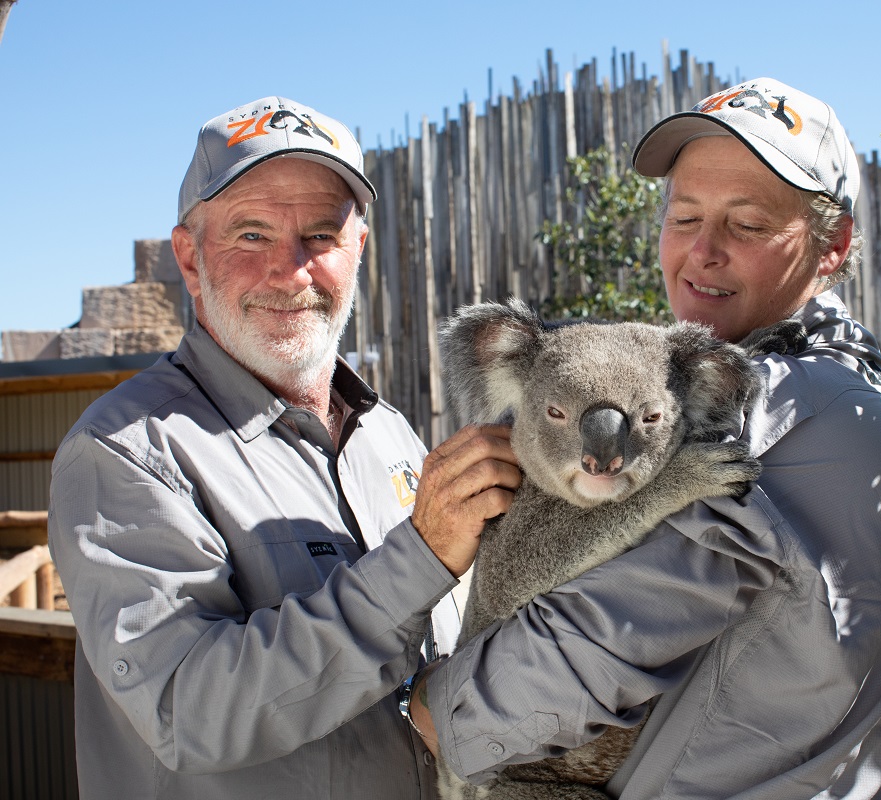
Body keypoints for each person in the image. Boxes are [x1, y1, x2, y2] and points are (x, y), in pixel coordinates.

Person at [413, 77, 881, 799]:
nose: (702, 252)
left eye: (747, 224)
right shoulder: (858, 381)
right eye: (683, 216)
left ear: (832, 245)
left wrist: (435, 709)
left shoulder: (782, 410)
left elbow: (590, 648)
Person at [47, 96, 524, 800]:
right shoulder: (126, 452)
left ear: (358, 249)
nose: (290, 271)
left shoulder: (387, 433)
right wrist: (419, 558)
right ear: (188, 257)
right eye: (250, 235)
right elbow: (190, 709)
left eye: (321, 236)